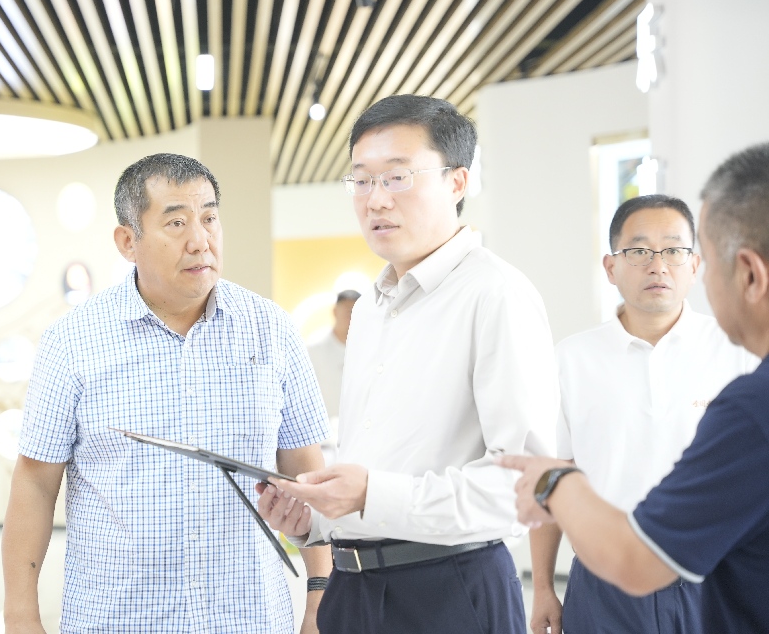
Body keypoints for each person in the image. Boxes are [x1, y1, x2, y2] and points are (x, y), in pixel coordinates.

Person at [257, 94, 559, 633]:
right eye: (361, 180)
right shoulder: (371, 308)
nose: (375, 200)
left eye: (397, 177)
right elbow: (379, 461)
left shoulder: (496, 294)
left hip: (448, 591)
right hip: (353, 590)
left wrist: (371, 494)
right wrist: (311, 518)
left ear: (457, 182)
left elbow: (524, 489)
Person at [1, 153, 332, 634]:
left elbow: (306, 470)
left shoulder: (271, 330)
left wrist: (321, 594)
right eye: (176, 223)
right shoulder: (71, 341)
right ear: (127, 241)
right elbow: (35, 482)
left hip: (250, 618)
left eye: (209, 219)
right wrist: (20, 616)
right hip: (117, 621)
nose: (200, 240)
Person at [502, 143, 769, 633]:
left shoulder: (739, 356)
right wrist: (542, 585)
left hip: (708, 573)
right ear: (611, 267)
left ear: (695, 265)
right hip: (604, 578)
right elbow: (556, 472)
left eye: (675, 251)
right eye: (640, 251)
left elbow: (552, 481)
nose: (658, 265)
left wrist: (556, 483)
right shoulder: (571, 359)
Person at [306, 289, 360, 461]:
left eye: (354, 312)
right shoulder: (314, 352)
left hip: (359, 437)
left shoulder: (369, 352)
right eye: (347, 312)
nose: (350, 317)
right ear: (335, 312)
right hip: (324, 443)